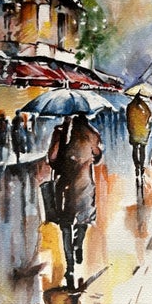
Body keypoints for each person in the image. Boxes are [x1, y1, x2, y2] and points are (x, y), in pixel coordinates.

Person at [47, 111, 103, 286]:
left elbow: (52, 158)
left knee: (65, 225)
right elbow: (98, 156)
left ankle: (70, 264)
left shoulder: (59, 132)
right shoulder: (92, 134)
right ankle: (78, 243)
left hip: (64, 184)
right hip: (84, 183)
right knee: (83, 219)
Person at [125, 93, 152, 180]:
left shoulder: (130, 106)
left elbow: (128, 118)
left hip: (133, 131)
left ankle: (136, 165)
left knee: (135, 148)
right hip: (143, 131)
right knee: (142, 149)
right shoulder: (144, 107)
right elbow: (149, 115)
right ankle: (141, 165)